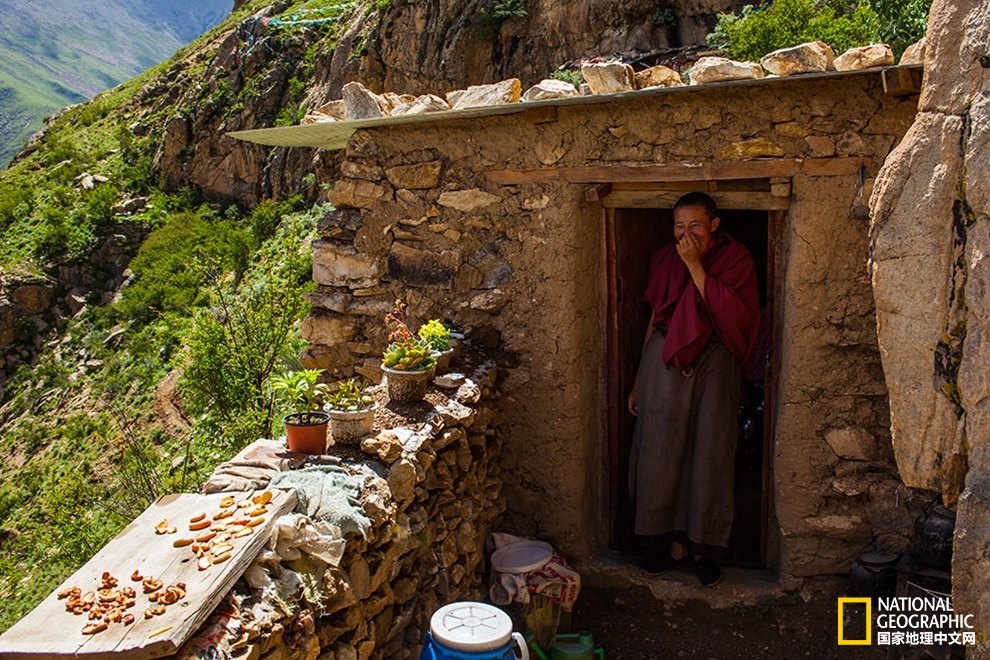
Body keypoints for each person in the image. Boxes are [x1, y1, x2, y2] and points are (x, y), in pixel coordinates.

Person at [626, 192, 760, 587]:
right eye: (679, 227)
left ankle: (703, 549)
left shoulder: (736, 260)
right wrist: (637, 380)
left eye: (695, 226)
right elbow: (657, 314)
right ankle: (665, 544)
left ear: (714, 225)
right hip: (665, 357)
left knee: (711, 450)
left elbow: (735, 316)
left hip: (714, 360)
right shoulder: (665, 258)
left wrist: (695, 266)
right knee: (660, 449)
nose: (686, 235)